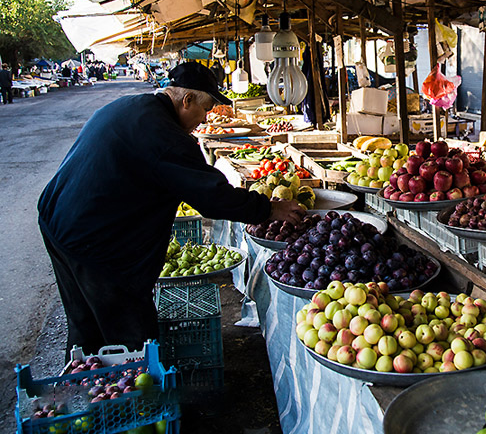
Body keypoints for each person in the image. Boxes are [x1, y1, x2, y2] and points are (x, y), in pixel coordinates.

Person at [38, 62, 305, 358]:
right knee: (129, 331)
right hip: (94, 240)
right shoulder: (164, 135)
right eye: (204, 110)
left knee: (86, 326)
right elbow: (212, 197)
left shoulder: (134, 107)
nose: (204, 120)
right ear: (186, 100)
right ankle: (136, 393)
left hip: (59, 220)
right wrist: (269, 208)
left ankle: (87, 387)